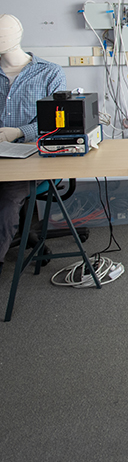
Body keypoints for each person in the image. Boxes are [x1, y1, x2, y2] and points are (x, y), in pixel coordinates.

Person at [0, 14, 66, 276]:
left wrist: (18, 132)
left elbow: (55, 125)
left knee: (6, 200)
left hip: (28, 160)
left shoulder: (49, 73)